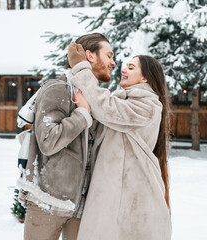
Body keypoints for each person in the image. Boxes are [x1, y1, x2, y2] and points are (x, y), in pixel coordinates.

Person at [67, 42, 172, 239]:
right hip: (114, 193)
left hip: (130, 196)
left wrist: (81, 68)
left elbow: (105, 107)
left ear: (145, 78)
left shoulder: (148, 105)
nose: (123, 69)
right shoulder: (126, 101)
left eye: (131, 67)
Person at [17, 33, 115, 240]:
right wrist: (82, 115)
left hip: (82, 208)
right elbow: (48, 140)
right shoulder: (58, 89)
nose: (113, 63)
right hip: (48, 202)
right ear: (90, 56)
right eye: (109, 55)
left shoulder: (96, 98)